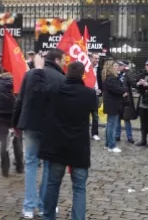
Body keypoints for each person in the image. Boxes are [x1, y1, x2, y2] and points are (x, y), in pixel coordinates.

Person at [30, 55, 96, 220]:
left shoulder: (56, 89)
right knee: (79, 188)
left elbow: (37, 87)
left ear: (66, 73)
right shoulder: (89, 94)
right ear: (82, 75)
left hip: (56, 147)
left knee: (53, 185)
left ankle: (48, 217)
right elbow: (95, 113)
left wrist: (38, 68)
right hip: (79, 149)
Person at [13, 49, 66, 219]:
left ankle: (28, 207)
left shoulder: (32, 74)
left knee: (30, 164)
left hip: (31, 125)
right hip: (50, 127)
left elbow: (20, 99)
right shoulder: (61, 78)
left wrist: (16, 123)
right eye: (63, 60)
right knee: (48, 167)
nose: (65, 63)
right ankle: (44, 205)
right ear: (57, 60)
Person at [0, 72, 23, 177]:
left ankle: (5, 169)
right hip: (16, 117)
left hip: (2, 116)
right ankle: (19, 166)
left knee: (4, 141)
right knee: (17, 141)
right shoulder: (18, 83)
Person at [102, 60, 127, 153]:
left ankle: (107, 144)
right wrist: (124, 91)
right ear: (111, 68)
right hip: (113, 105)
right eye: (115, 66)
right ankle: (111, 146)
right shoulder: (111, 78)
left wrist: (122, 90)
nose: (117, 67)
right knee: (112, 126)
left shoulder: (112, 78)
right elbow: (118, 89)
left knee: (110, 125)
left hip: (112, 104)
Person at [115, 61, 136, 143]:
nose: (119, 67)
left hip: (126, 100)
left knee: (127, 119)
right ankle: (117, 136)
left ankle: (129, 137)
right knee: (117, 119)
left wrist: (128, 71)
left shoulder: (127, 74)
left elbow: (133, 83)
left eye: (121, 65)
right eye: (118, 65)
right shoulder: (116, 74)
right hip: (118, 99)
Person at [90, 53, 102, 141]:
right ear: (91, 58)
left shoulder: (99, 69)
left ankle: (94, 133)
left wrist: (100, 90)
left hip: (96, 94)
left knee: (95, 114)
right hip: (86, 93)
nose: (97, 60)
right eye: (95, 58)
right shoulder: (86, 68)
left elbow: (102, 81)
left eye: (98, 59)